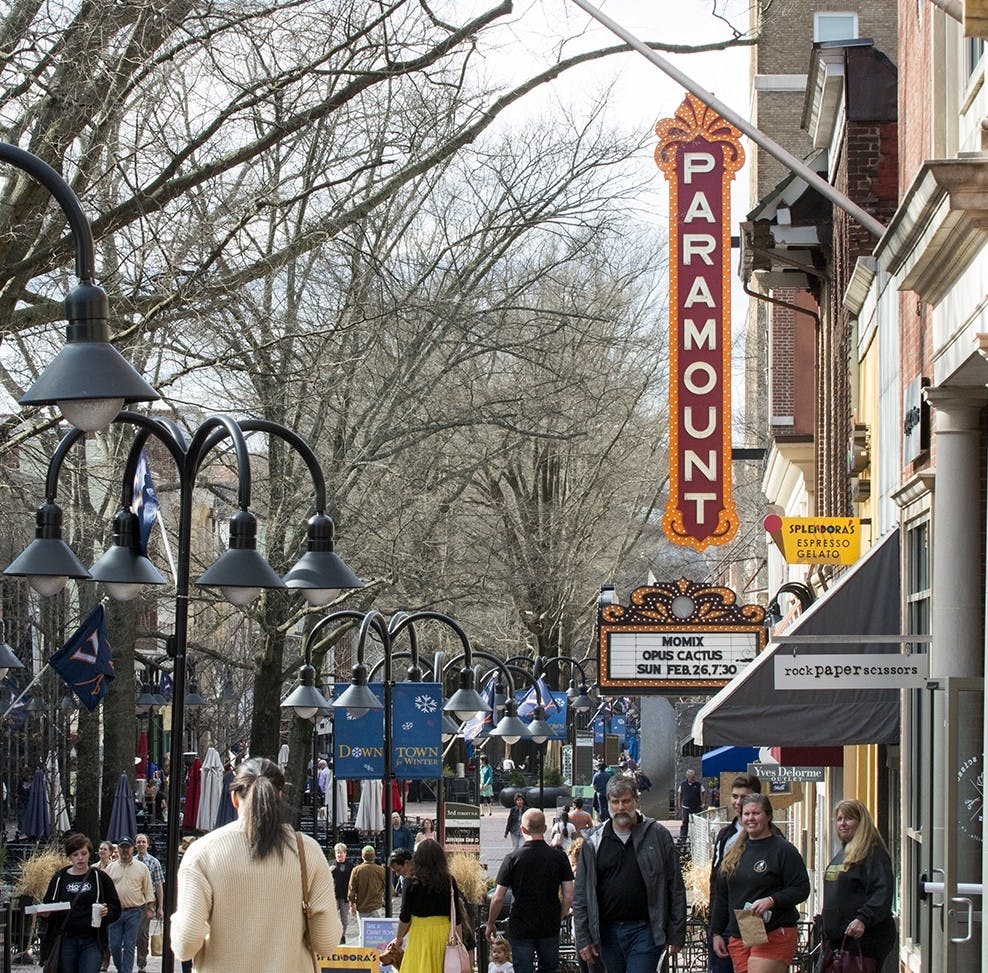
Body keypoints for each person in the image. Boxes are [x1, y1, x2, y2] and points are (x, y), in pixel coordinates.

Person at [170, 756, 341, 973]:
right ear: (280, 795)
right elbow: (326, 943)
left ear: (233, 798)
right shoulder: (307, 851)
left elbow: (185, 945)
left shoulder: (202, 853)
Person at [573, 774, 686, 973]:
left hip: (646, 929)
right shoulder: (594, 842)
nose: (620, 807)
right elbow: (581, 894)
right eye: (615, 802)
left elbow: (675, 887)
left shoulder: (658, 836)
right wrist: (583, 938)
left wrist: (676, 933)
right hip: (606, 933)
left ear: (636, 800)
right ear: (607, 802)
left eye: (626, 801)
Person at [710, 794, 810, 973]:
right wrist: (716, 932)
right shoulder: (735, 852)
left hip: (774, 928)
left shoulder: (783, 850)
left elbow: (801, 888)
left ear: (768, 816)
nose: (750, 818)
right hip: (744, 930)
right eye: (746, 814)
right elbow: (722, 896)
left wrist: (772, 900)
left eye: (756, 813)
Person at [486, 808, 575, 973]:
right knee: (548, 968)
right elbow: (569, 895)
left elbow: (498, 898)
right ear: (545, 828)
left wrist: (491, 923)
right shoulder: (559, 858)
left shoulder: (512, 859)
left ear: (523, 829)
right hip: (549, 924)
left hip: (521, 925)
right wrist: (560, 916)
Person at [820, 799, 896, 968]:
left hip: (863, 942)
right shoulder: (843, 854)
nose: (843, 824)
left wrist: (863, 918)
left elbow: (882, 892)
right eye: (839, 819)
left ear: (861, 823)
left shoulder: (873, 854)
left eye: (849, 818)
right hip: (839, 945)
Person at [39, 833, 121, 973]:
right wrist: (45, 914)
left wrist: (107, 912)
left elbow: (115, 907)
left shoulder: (99, 877)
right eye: (75, 854)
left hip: (92, 939)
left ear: (90, 854)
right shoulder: (60, 878)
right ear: (70, 856)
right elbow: (48, 906)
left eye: (84, 853)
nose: (80, 858)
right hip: (66, 939)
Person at [707, 774, 763, 973]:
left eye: (744, 797)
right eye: (735, 796)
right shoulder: (725, 835)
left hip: (751, 917)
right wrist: (714, 929)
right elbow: (716, 882)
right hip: (724, 917)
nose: (738, 802)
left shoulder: (769, 837)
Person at [386, 838, 463, 972]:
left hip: (419, 934)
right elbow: (456, 915)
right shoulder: (449, 880)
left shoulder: (410, 882)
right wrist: (459, 941)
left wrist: (398, 939)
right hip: (444, 935)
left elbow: (405, 916)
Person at [104, 836, 154, 973]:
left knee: (129, 945)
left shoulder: (142, 868)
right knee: (113, 945)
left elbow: (148, 889)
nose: (125, 850)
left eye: (128, 847)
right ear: (118, 849)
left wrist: (150, 909)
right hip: (115, 912)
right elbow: (104, 891)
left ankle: (126, 971)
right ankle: (122, 969)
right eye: (122, 847)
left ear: (133, 849)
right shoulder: (110, 868)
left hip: (135, 911)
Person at [133, 834, 164, 973]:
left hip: (146, 904)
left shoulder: (154, 862)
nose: (141, 844)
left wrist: (160, 907)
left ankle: (141, 963)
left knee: (142, 935)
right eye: (138, 842)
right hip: (131, 902)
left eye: (143, 842)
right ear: (135, 845)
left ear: (148, 844)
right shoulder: (130, 861)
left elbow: (158, 886)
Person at [348, 844, 386, 919]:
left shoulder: (356, 870)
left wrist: (352, 904)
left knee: (363, 929)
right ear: (374, 856)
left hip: (361, 906)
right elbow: (388, 886)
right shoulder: (381, 870)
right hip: (376, 906)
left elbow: (351, 889)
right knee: (376, 929)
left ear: (362, 856)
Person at [330, 843, 354, 943]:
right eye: (337, 853)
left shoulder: (350, 865)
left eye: (341, 853)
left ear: (345, 853)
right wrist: (329, 871)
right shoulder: (331, 863)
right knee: (332, 918)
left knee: (344, 920)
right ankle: (333, 936)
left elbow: (353, 882)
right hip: (333, 896)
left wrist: (352, 899)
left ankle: (342, 936)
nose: (339, 855)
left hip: (344, 896)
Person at [677, 769, 705, 839]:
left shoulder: (699, 785)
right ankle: (683, 839)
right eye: (691, 777)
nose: (693, 779)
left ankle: (698, 838)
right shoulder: (682, 785)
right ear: (687, 777)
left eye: (694, 777)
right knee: (685, 823)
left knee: (698, 823)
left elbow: (703, 793)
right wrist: (679, 804)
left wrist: (703, 803)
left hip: (696, 807)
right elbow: (679, 794)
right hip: (686, 807)